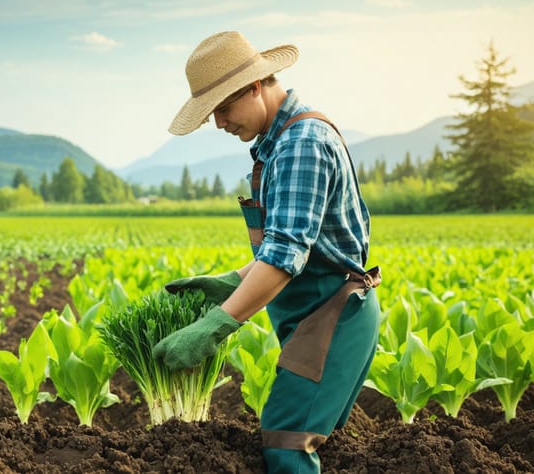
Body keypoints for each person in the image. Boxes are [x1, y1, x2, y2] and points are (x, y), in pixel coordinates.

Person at [152, 31, 381, 474]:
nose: (219, 123)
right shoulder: (278, 144)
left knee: (286, 445)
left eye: (222, 108)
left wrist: (215, 327)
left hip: (333, 316)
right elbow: (286, 243)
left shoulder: (301, 145)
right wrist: (231, 281)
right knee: (295, 439)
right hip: (317, 317)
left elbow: (285, 256)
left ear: (255, 86)